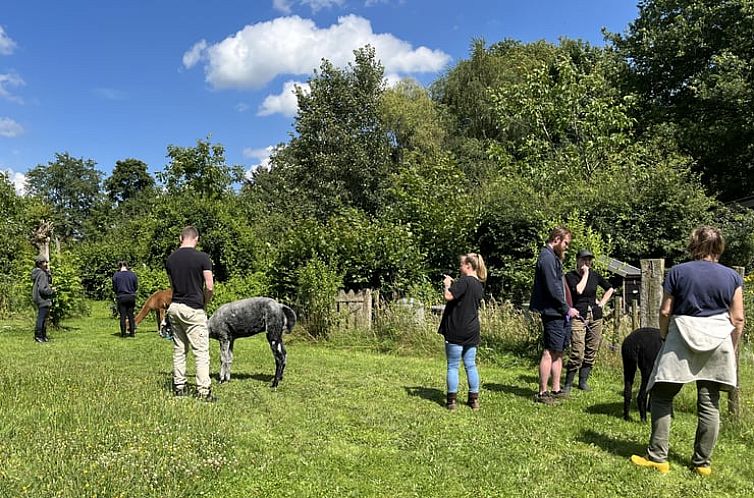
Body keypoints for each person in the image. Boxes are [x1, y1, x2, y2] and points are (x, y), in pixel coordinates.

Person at [631, 226, 744, 476]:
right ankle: (702, 464)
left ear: (694, 244)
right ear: (719, 246)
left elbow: (664, 311)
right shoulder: (732, 277)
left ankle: (658, 457)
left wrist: (664, 336)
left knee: (661, 396)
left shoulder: (679, 272)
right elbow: (738, 319)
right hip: (718, 339)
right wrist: (731, 348)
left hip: (682, 333)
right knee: (709, 403)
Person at [529, 227, 580, 404]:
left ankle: (556, 389)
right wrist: (566, 308)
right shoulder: (547, 258)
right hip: (553, 313)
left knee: (559, 351)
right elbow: (553, 289)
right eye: (565, 243)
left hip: (561, 313)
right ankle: (542, 392)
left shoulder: (554, 258)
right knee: (549, 351)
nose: (566, 247)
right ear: (557, 239)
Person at [165, 226, 215, 402]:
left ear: (181, 238)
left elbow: (172, 287)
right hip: (193, 309)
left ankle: (179, 387)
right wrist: (204, 302)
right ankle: (204, 392)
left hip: (175, 308)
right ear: (197, 239)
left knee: (179, 349)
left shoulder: (170, 259)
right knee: (201, 352)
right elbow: (209, 286)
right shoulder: (202, 258)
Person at [438, 253, 487, 411]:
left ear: (468, 266)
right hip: (472, 330)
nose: (460, 268)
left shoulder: (464, 281)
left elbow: (449, 296)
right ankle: (474, 400)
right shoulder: (478, 284)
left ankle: (451, 401)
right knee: (470, 365)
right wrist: (454, 284)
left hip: (456, 329)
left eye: (461, 265)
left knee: (453, 366)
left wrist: (447, 284)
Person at [563, 249, 614, 392]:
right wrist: (585, 274)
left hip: (595, 316)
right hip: (579, 316)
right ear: (577, 260)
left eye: (589, 260)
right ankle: (567, 383)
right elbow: (578, 290)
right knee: (577, 351)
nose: (587, 262)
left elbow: (610, 288)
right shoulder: (570, 276)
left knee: (591, 350)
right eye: (584, 259)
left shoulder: (595, 275)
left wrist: (602, 303)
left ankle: (583, 381)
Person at [31, 255, 55, 343]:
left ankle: (43, 336)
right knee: (42, 318)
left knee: (43, 318)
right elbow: (42, 289)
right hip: (42, 298)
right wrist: (51, 290)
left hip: (38, 298)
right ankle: (39, 336)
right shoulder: (41, 274)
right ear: (40, 264)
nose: (46, 264)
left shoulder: (39, 273)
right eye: (45, 262)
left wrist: (48, 274)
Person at [112, 261, 138, 337]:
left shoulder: (116, 275)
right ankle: (132, 332)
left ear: (119, 267)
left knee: (122, 316)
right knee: (131, 315)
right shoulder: (133, 275)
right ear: (127, 266)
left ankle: (123, 333)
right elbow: (136, 287)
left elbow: (114, 288)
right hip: (131, 296)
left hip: (121, 297)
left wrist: (118, 293)